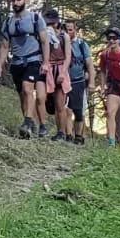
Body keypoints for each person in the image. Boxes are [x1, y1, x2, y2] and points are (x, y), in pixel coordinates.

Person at [0, 0, 49, 138]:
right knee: (22, 94)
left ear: (26, 0)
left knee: (27, 88)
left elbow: (44, 41)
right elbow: (5, 46)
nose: (15, 3)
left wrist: (45, 62)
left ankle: (27, 122)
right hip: (16, 62)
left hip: (33, 59)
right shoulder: (8, 22)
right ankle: (29, 123)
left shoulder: (35, 19)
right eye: (13, 0)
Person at [41, 8, 71, 141]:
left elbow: (68, 57)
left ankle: (61, 132)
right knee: (43, 100)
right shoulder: (43, 35)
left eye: (51, 23)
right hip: (47, 69)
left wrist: (62, 73)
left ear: (57, 23)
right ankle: (41, 126)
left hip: (60, 68)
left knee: (60, 104)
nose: (49, 26)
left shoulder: (64, 37)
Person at [65, 17, 94, 144]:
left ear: (75, 30)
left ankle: (78, 136)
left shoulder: (82, 45)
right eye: (66, 30)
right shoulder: (61, 43)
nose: (68, 32)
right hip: (65, 81)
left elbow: (90, 64)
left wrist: (91, 82)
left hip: (78, 81)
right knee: (66, 109)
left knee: (78, 111)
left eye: (70, 30)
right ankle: (68, 135)